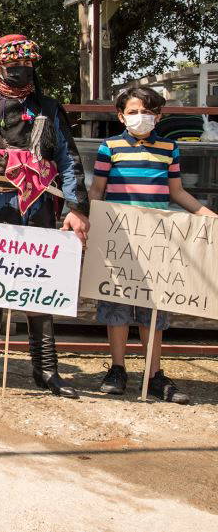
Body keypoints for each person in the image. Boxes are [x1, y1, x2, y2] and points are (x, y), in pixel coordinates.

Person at [0, 34, 89, 397]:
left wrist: (76, 208)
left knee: (40, 286)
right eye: (12, 66)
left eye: (26, 65)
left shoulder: (49, 108)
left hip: (37, 204)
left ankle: (47, 369)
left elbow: (69, 160)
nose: (20, 71)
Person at [88, 85, 215, 404]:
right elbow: (98, 189)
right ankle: (117, 368)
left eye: (147, 111)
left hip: (157, 242)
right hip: (120, 238)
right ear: (121, 116)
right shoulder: (110, 147)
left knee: (153, 310)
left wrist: (208, 215)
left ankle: (154, 374)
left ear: (158, 115)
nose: (140, 117)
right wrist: (90, 218)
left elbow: (177, 192)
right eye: (132, 112)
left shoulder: (169, 148)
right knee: (115, 305)